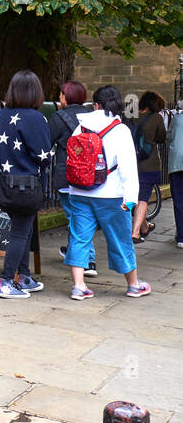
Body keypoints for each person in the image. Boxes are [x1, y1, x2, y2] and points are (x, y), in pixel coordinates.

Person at [64, 85, 149, 301]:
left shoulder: (80, 128)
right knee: (120, 239)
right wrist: (130, 200)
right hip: (111, 195)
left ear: (95, 105)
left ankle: (79, 286)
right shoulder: (120, 131)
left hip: (79, 191)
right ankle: (133, 284)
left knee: (79, 237)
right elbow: (128, 169)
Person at [0, 70, 50, 299]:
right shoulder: (35, 117)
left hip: (4, 185)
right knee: (21, 232)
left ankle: (23, 277)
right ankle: (6, 281)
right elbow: (43, 155)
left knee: (24, 229)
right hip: (27, 185)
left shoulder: (0, 116)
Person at [48, 79, 97, 277]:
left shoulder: (59, 117)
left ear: (65, 97)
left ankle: (87, 260)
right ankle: (74, 251)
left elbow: (46, 142)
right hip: (91, 174)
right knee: (82, 214)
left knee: (76, 217)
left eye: (61, 94)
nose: (59, 97)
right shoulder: (93, 117)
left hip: (67, 174)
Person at [130, 91, 167, 242]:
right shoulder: (156, 118)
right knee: (143, 199)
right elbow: (162, 138)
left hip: (130, 162)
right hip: (148, 164)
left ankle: (144, 226)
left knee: (132, 197)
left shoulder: (131, 117)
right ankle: (135, 232)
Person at [168, 97, 183, 250]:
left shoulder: (177, 119)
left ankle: (181, 237)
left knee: (179, 201)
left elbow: (168, 137)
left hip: (177, 165)